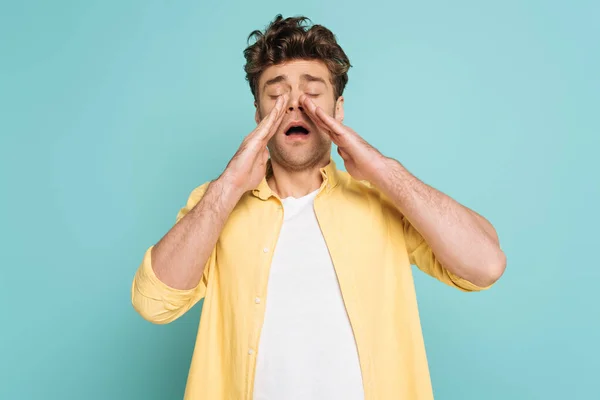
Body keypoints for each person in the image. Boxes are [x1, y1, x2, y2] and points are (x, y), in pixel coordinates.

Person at [131, 14, 506, 400]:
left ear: (337, 109)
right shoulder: (215, 205)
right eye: (276, 96)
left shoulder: (384, 201)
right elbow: (152, 302)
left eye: (312, 93)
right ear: (259, 116)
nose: (295, 105)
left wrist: (383, 171)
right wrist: (228, 185)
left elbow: (486, 264)